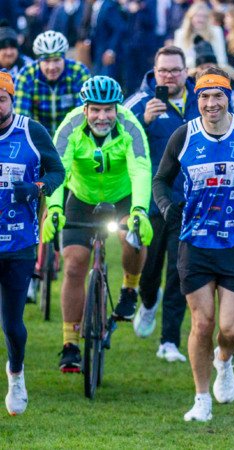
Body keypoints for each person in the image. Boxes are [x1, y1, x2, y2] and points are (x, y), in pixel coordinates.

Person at [153, 67, 234, 422]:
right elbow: (161, 180)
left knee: (231, 330)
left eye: (218, 96)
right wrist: (166, 207)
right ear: (198, 100)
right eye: (205, 97)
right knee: (202, 323)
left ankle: (224, 361)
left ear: (228, 98)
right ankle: (201, 398)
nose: (211, 103)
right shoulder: (184, 136)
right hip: (194, 243)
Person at [42, 75, 153, 372]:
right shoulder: (69, 127)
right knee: (76, 264)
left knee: (133, 233)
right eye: (95, 110)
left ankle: (130, 287)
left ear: (117, 108)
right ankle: (70, 343)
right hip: (82, 198)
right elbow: (57, 168)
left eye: (108, 109)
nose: (102, 116)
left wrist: (140, 210)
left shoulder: (131, 125)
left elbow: (141, 170)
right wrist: (54, 207)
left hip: (123, 196)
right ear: (85, 109)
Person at [124, 46, 199, 362]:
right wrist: (142, 121)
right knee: (151, 269)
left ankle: (169, 341)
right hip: (153, 201)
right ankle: (148, 300)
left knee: (181, 273)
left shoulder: (202, 101)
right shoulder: (139, 102)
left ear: (186, 71)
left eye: (175, 70)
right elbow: (118, 139)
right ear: (153, 71)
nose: (169, 75)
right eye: (163, 70)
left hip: (192, 202)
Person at [0, 71, 65, 415]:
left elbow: (57, 170)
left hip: (20, 242)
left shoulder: (31, 131)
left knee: (12, 322)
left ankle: (16, 375)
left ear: (11, 100)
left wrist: (38, 188)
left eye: (1, 98)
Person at [14, 30, 90, 136]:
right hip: (39, 140)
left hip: (72, 138)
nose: (52, 67)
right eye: (47, 61)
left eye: (56, 60)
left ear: (64, 58)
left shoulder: (79, 72)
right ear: (39, 60)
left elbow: (84, 115)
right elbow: (21, 118)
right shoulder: (26, 75)